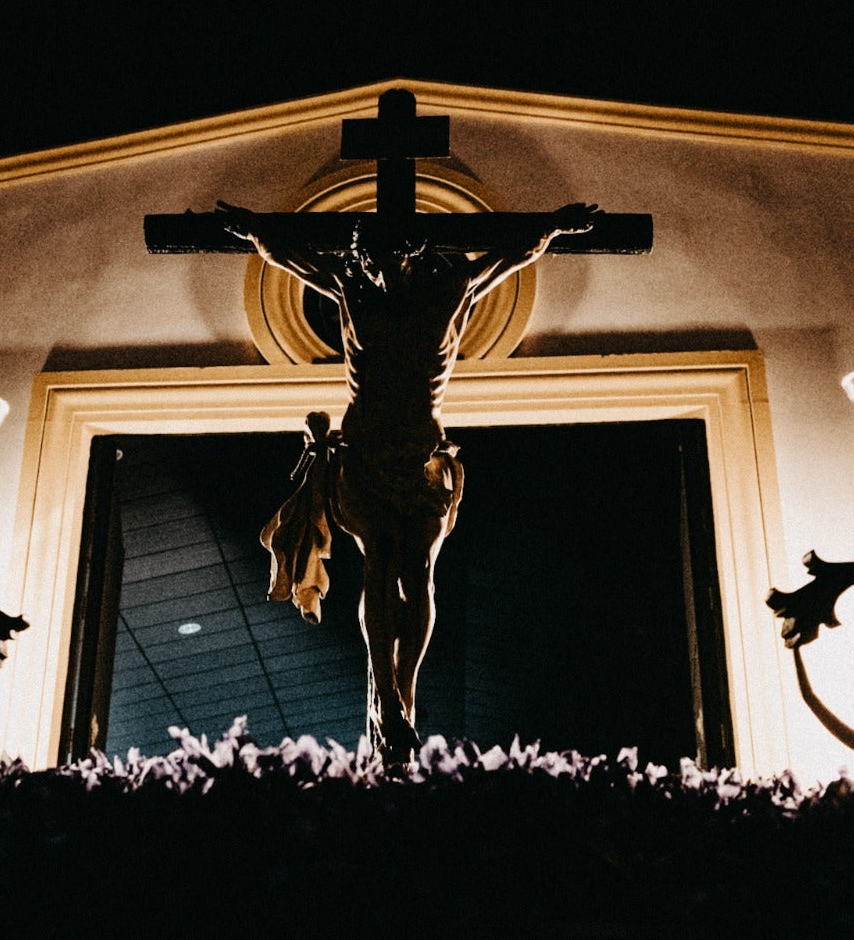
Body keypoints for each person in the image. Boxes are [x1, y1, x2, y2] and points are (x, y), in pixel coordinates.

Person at [222, 201, 597, 766]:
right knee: (377, 565)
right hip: (365, 455)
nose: (376, 263)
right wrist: (256, 233)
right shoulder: (354, 292)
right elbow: (296, 261)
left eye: (387, 252)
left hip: (421, 458)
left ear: (414, 250)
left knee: (418, 570)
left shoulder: (451, 291)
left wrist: (551, 229)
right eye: (368, 255)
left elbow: (510, 256)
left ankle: (405, 692)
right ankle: (386, 695)